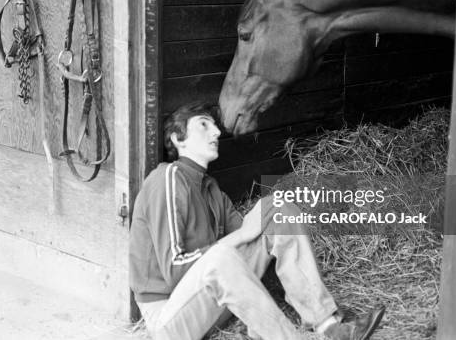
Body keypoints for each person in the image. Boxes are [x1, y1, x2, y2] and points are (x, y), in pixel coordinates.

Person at [129, 102, 385, 340]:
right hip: (168, 316)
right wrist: (239, 237)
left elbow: (251, 242)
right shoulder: (168, 178)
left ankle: (329, 326)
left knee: (277, 208)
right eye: (204, 124)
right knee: (221, 257)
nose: (217, 132)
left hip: (211, 301)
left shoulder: (211, 189)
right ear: (178, 138)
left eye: (215, 126)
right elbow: (175, 271)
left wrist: (269, 211)